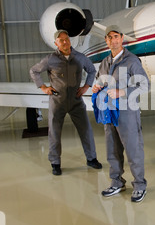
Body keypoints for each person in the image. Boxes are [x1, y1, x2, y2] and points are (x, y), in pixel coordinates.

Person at [30, 29, 102, 176]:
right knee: (55, 133)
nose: (65, 42)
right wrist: (43, 87)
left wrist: (86, 86)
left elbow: (92, 71)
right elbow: (34, 71)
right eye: (61, 40)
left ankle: (91, 158)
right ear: (56, 43)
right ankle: (55, 163)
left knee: (86, 130)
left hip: (76, 101)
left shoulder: (80, 57)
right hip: (58, 102)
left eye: (66, 39)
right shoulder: (51, 59)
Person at [92, 25, 150, 203]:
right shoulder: (105, 62)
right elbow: (100, 80)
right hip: (109, 113)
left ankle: (139, 185)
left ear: (122, 38)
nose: (112, 40)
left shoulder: (132, 61)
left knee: (133, 151)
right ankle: (117, 182)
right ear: (106, 40)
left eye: (116, 36)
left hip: (127, 114)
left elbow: (145, 85)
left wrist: (122, 92)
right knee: (112, 150)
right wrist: (97, 86)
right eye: (109, 37)